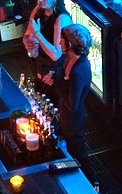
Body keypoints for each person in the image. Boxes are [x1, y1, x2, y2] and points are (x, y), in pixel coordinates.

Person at [41, 23, 93, 164]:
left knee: (77, 151)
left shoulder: (79, 70)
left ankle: (91, 182)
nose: (59, 42)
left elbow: (73, 105)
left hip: (73, 120)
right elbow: (59, 70)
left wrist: (56, 82)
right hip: (65, 114)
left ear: (70, 43)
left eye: (62, 40)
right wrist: (53, 74)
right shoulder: (68, 58)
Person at [22, 0, 72, 82]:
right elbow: (27, 34)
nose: (40, 0)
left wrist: (37, 33)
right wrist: (27, 42)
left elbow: (56, 55)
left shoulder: (61, 19)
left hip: (54, 71)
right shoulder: (37, 10)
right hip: (38, 63)